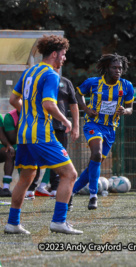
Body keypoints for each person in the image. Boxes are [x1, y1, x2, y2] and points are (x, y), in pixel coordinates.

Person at [4, 35, 82, 234]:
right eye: (63, 55)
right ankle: (59, 221)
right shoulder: (51, 75)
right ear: (55, 54)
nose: (64, 59)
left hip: (23, 134)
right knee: (70, 174)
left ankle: (12, 223)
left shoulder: (29, 72)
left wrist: (28, 114)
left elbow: (14, 100)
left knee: (26, 178)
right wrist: (66, 121)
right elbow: (49, 104)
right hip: (42, 134)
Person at [72, 54, 134, 210]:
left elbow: (130, 108)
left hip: (110, 129)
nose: (118, 70)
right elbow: (77, 94)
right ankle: (93, 196)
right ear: (107, 68)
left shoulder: (126, 86)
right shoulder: (93, 83)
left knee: (94, 162)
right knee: (97, 154)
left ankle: (70, 192)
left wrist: (124, 111)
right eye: (114, 67)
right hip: (93, 124)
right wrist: (85, 108)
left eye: (120, 68)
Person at [26, 68, 80, 198]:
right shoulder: (38, 79)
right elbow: (46, 104)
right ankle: (31, 188)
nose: (62, 60)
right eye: (62, 55)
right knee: (36, 159)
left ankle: (55, 188)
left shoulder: (66, 82)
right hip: (41, 129)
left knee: (59, 160)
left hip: (60, 129)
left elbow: (74, 105)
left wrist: (76, 126)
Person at [0, 110, 18, 197]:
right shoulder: (10, 116)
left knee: (9, 152)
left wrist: (8, 145)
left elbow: (2, 135)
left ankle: (6, 188)